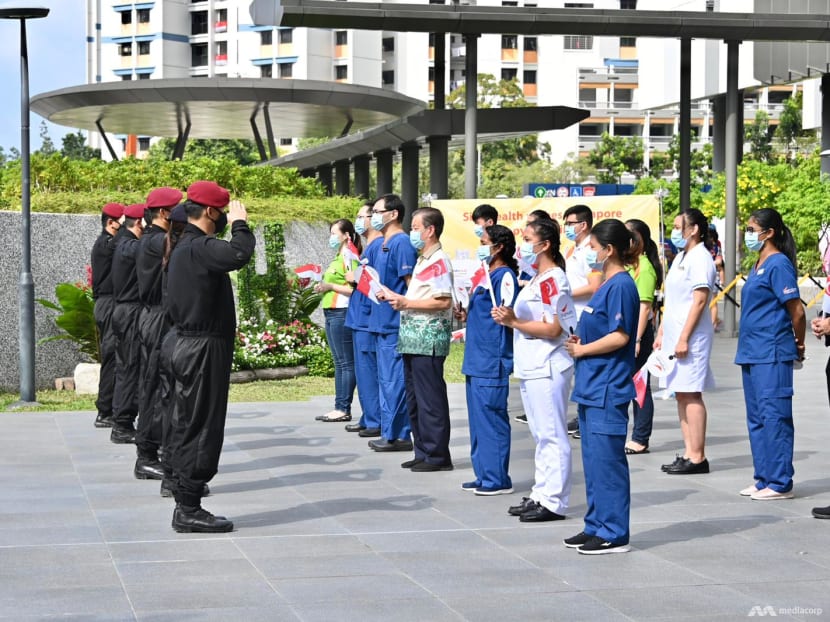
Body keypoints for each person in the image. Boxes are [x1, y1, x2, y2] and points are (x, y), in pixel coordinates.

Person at [166, 181, 255, 532]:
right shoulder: (200, 246)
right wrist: (241, 224)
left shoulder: (183, 246)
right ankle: (188, 507)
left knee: (185, 420)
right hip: (201, 347)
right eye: (223, 213)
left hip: (184, 342)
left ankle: (182, 489)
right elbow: (239, 254)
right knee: (202, 426)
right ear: (211, 212)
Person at [564, 218, 640, 554]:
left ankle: (614, 531)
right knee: (594, 462)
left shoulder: (622, 285)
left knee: (608, 463)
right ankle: (595, 524)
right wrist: (583, 339)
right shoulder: (605, 286)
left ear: (609, 250)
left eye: (593, 248)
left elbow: (621, 336)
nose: (590, 253)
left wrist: (583, 349)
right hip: (591, 386)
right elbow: (602, 328)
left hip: (607, 387)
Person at [493, 219, 573, 520]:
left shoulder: (554, 280)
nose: (523, 244)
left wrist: (514, 322)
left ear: (545, 244)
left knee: (552, 434)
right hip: (531, 364)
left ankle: (554, 500)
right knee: (541, 434)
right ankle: (541, 492)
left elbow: (554, 328)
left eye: (528, 239)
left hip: (548, 363)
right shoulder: (537, 278)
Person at [736, 208, 806, 501]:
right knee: (757, 418)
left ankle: (779, 481)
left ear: (769, 233)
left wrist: (799, 344)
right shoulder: (758, 263)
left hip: (772, 351)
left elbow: (797, 310)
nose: (748, 234)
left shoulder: (778, 264)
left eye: (752, 230)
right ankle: (763, 476)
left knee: (774, 416)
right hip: (752, 352)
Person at [384, 207, 454, 471]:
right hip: (412, 338)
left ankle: (438, 455)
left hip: (428, 339)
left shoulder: (438, 261)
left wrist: (407, 302)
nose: (412, 232)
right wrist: (397, 298)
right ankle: (422, 449)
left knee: (430, 399)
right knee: (414, 398)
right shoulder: (423, 259)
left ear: (430, 230)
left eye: (415, 227)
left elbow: (443, 301)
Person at [456, 225, 519, 493]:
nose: (480, 247)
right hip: (476, 358)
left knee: (491, 419)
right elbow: (483, 314)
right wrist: (465, 314)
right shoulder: (485, 275)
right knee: (478, 420)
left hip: (491, 359)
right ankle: (482, 473)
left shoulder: (504, 276)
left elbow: (506, 311)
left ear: (499, 247)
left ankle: (496, 478)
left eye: (484, 242)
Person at [655, 208, 717, 475]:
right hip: (674, 335)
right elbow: (674, 300)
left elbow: (700, 300)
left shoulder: (701, 258)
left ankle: (698, 456)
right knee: (680, 392)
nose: (675, 231)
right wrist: (662, 332)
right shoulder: (682, 256)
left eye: (679, 226)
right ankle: (688, 451)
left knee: (691, 392)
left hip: (691, 338)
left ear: (693, 229)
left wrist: (683, 338)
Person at [134, 187, 182, 480]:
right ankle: (147, 456)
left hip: (160, 317)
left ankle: (161, 450)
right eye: (178, 210)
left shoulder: (154, 239)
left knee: (164, 388)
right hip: (156, 318)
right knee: (154, 388)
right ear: (165, 214)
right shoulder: (155, 241)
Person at [367, 194, 417, 452]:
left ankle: (398, 434)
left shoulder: (402, 243)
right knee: (385, 381)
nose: (374, 216)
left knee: (394, 381)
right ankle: (389, 431)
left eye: (378, 211)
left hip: (394, 324)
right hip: (380, 323)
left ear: (394, 214)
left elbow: (412, 287)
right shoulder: (382, 243)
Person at [314, 219, 361, 422]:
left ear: (346, 236)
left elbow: (354, 288)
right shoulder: (338, 257)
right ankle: (339, 406)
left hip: (342, 312)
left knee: (345, 362)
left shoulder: (351, 258)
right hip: (331, 311)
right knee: (339, 362)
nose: (331, 238)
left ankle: (343, 407)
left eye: (335, 233)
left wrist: (330, 287)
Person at [343, 201, 383, 437]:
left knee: (369, 371)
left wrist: (355, 278)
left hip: (369, 320)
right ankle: (368, 415)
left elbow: (376, 282)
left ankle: (375, 418)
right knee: (363, 371)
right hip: (359, 318)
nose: (359, 221)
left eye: (363, 216)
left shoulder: (378, 246)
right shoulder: (368, 247)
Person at [562, 205, 602, 438]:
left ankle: (586, 416)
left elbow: (594, 287)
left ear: (583, 224)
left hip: (582, 315)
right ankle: (581, 415)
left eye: (570, 223)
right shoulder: (574, 249)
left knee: (584, 368)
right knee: (577, 369)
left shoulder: (590, 250)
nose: (567, 228)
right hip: (570, 316)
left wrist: (564, 295)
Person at [624, 219, 662, 455]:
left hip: (638, 334)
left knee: (640, 385)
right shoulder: (627, 265)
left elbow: (644, 308)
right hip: (624, 331)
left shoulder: (644, 268)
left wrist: (637, 340)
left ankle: (640, 436)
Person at [109, 203, 146, 445]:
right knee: (130, 368)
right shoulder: (131, 246)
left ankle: (121, 420)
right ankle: (122, 423)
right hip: (130, 311)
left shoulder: (122, 243)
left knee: (126, 367)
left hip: (123, 310)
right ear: (140, 223)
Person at [90, 202, 124, 429]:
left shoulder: (110, 242)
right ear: (111, 223)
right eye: (124, 222)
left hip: (110, 304)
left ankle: (110, 408)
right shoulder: (108, 244)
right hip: (108, 304)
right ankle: (104, 411)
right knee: (112, 357)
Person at [709, 225, 726, 332]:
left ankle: (714, 323)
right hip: (713, 273)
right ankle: (715, 320)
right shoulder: (712, 246)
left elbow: (720, 264)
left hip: (714, 275)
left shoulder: (715, 246)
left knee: (712, 301)